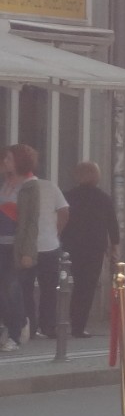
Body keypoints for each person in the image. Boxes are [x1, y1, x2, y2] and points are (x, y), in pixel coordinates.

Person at [60, 162, 120, 338]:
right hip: (94, 248)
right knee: (87, 286)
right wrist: (114, 248)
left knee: (73, 284)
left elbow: (62, 220)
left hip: (71, 247)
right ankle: (78, 326)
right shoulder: (103, 198)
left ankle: (68, 318)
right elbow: (112, 225)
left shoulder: (69, 196)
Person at [0, 145, 40, 351]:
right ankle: (11, 324)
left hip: (15, 246)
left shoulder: (30, 185)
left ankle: (16, 331)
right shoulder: (5, 182)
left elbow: (31, 221)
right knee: (2, 291)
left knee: (11, 289)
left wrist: (27, 251)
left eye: (8, 158)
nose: (5, 161)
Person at [21, 175, 68, 339]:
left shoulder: (15, 188)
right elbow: (64, 211)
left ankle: (29, 327)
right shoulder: (50, 186)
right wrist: (56, 232)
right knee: (49, 289)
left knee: (24, 288)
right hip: (49, 245)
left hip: (25, 247)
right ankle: (48, 326)